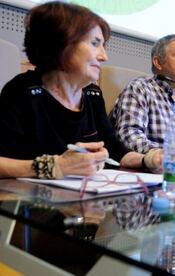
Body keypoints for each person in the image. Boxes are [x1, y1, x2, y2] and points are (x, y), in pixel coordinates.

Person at [0, 2, 161, 179]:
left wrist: (150, 159)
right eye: (94, 43)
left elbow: (115, 150)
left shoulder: (93, 94)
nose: (104, 56)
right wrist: (54, 167)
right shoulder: (22, 91)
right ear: (61, 43)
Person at [111, 34, 175, 162]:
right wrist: (168, 156)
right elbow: (128, 135)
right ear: (158, 62)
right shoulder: (140, 89)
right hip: (150, 173)